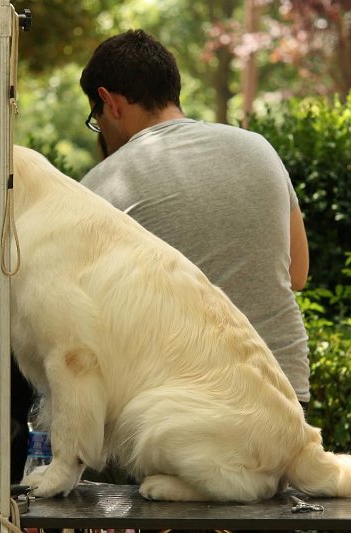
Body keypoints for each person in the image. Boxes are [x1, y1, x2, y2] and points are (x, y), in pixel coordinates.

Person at [79, 30, 311, 406]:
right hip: (282, 390)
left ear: (109, 101)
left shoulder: (101, 186)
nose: (100, 129)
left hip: (187, 406)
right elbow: (298, 273)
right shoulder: (258, 148)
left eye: (96, 118)